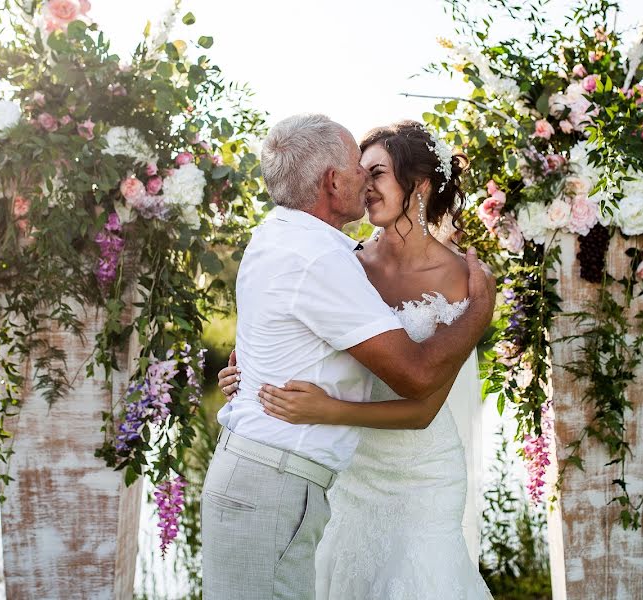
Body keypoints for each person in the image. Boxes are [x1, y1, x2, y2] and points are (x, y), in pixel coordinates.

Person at [201, 114, 495, 600]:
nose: (366, 182)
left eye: (377, 172)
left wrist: (312, 401)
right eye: (361, 170)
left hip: (418, 472)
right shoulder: (341, 260)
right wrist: (247, 375)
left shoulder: (458, 275)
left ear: (418, 186)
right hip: (346, 473)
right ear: (333, 180)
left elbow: (423, 403)